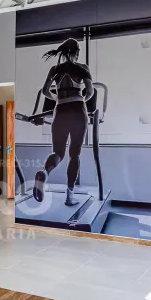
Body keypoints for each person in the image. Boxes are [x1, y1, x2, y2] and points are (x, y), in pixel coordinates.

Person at [32, 38, 95, 206]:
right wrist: (81, 100)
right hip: (78, 110)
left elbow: (45, 91)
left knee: (58, 153)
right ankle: (69, 196)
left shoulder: (55, 69)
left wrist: (58, 98)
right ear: (77, 52)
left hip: (60, 110)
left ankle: (45, 173)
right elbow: (90, 92)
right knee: (75, 155)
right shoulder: (83, 68)